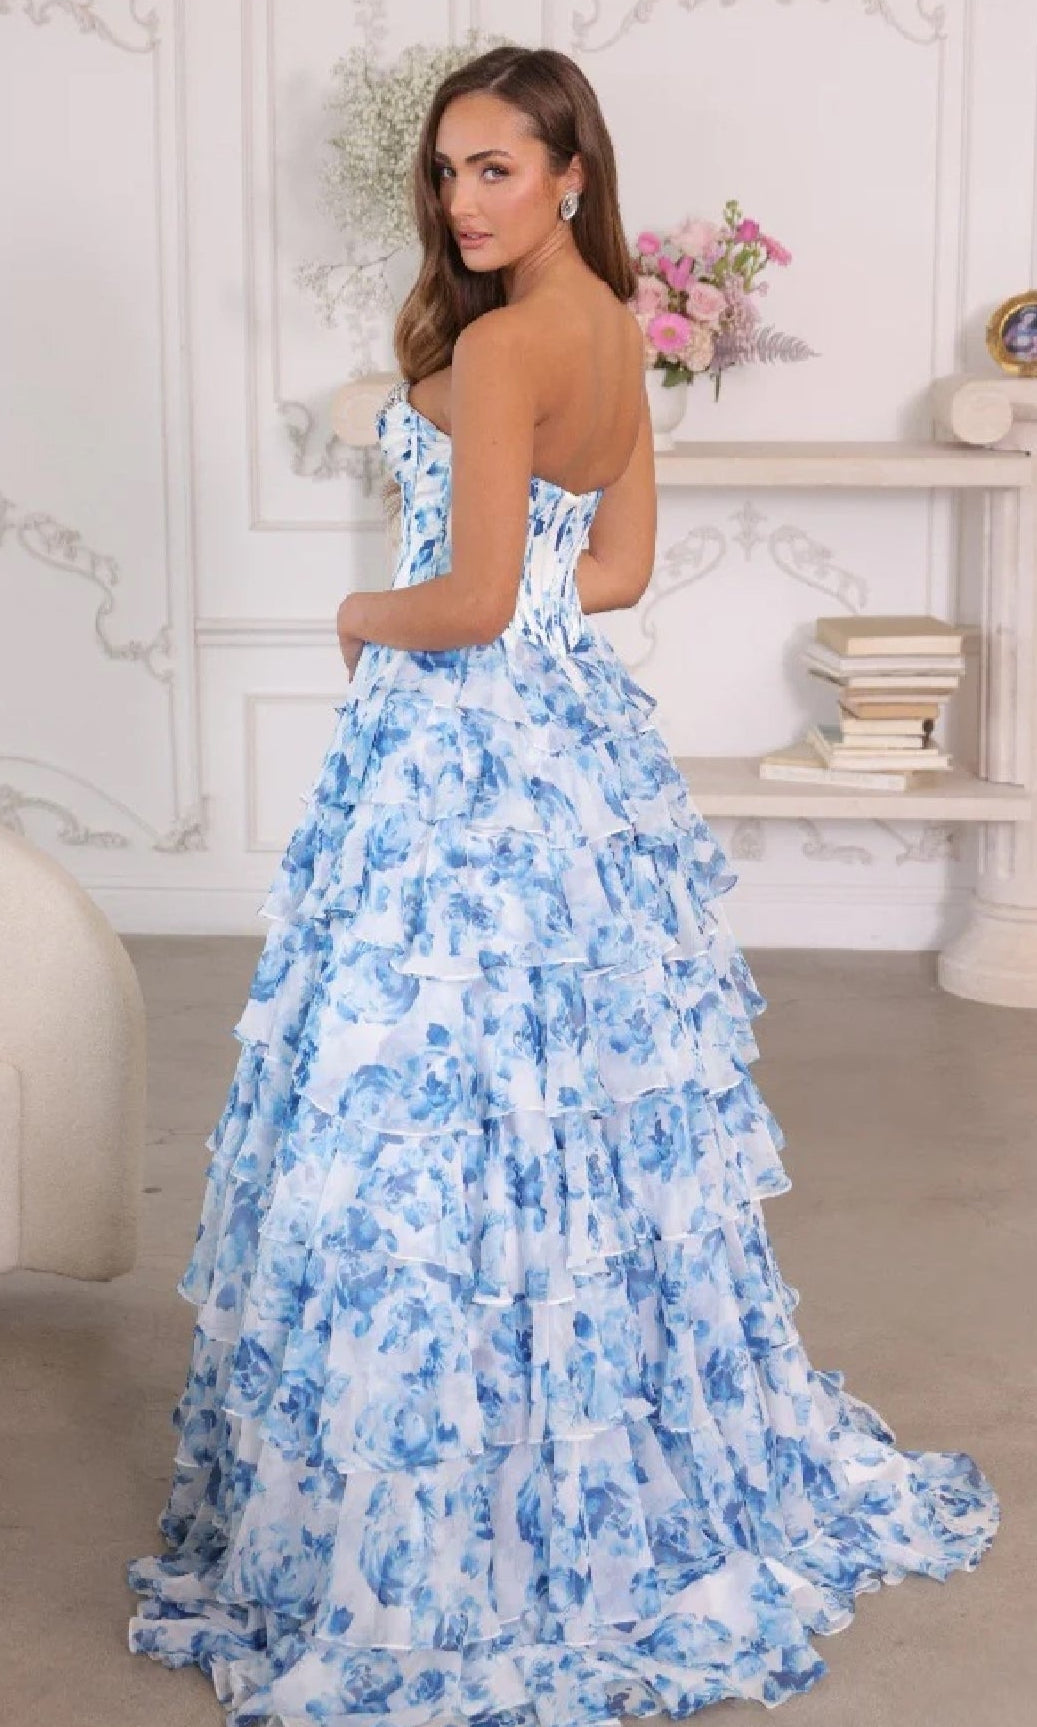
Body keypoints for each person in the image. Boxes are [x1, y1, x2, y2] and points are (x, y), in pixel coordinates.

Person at [126, 44, 999, 1727]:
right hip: (576, 758)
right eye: (447, 171)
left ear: (571, 174)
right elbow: (609, 571)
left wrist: (356, 620)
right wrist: (492, 610)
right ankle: (573, 1443)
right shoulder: (613, 329)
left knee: (432, 1106)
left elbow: (461, 600)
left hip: (462, 764)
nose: (460, 199)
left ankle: (456, 1506)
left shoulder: (516, 339)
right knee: (571, 1106)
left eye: (494, 170)